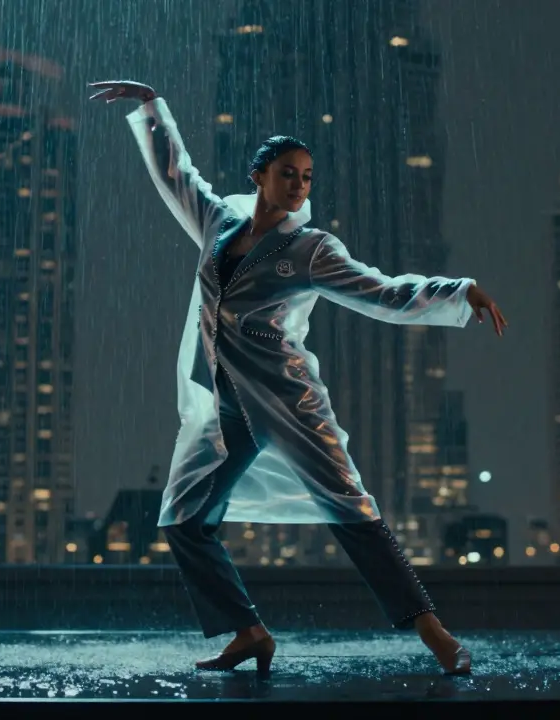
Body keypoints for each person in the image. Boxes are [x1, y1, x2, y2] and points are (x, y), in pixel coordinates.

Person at [88, 80, 507, 678]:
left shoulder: (310, 249)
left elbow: (383, 293)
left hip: (289, 403)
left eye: (307, 177)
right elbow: (176, 175)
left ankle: (435, 634)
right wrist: (151, 107)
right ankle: (249, 632)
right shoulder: (219, 224)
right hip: (228, 407)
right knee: (182, 518)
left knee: (352, 510)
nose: (299, 185)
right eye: (289, 172)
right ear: (260, 175)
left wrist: (457, 291)